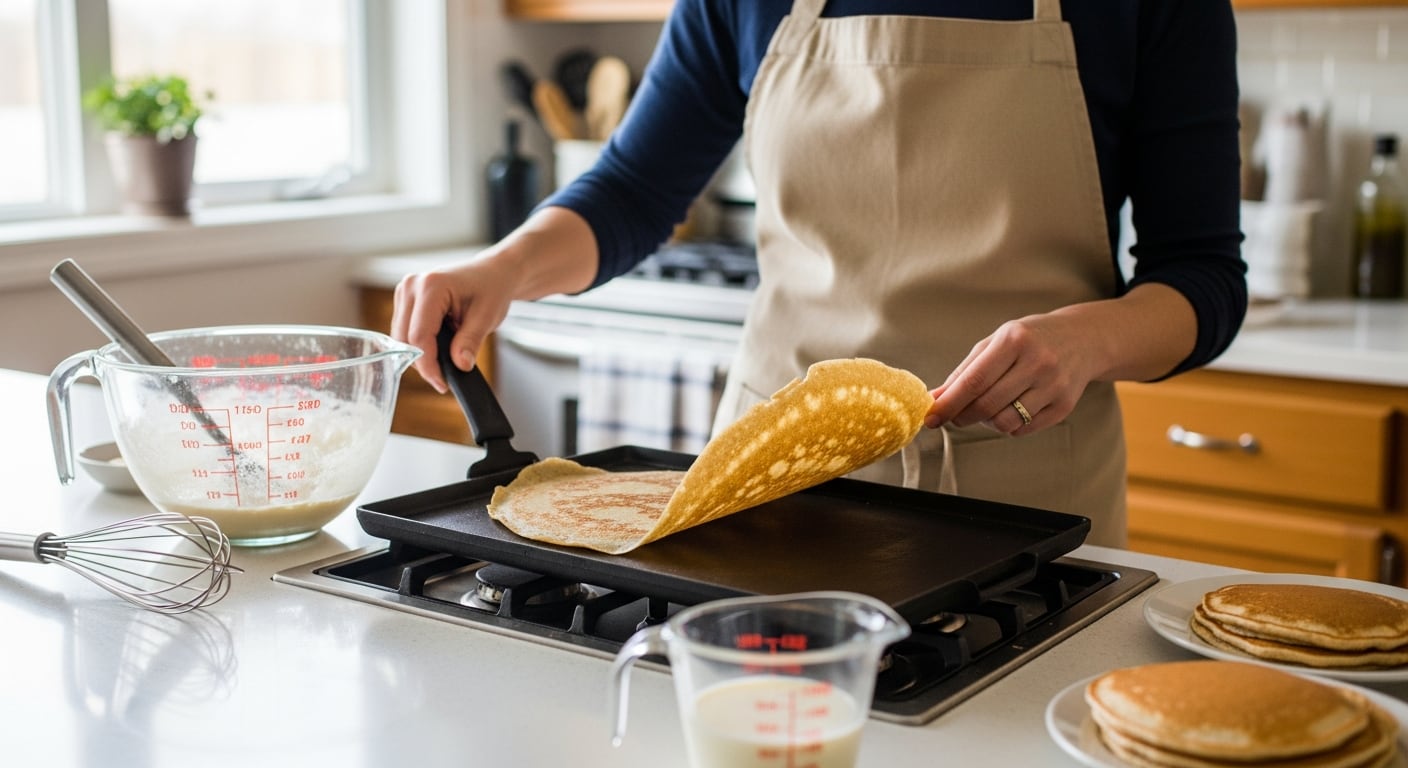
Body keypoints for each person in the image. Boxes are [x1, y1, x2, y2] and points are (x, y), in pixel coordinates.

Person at [392, 0, 1246, 548]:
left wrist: (1088, 339)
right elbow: (633, 192)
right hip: (771, 486)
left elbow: (1202, 278)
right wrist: (503, 268)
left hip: (1029, 494)